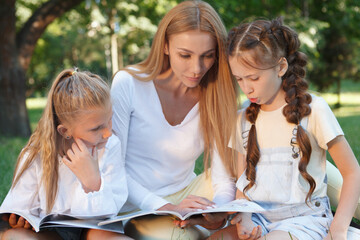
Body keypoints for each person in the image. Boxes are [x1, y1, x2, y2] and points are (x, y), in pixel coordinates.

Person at [209, 17, 360, 240]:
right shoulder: (242, 120)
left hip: (305, 219)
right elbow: (244, 181)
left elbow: (352, 172)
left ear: (280, 67)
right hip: (259, 217)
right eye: (239, 79)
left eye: (254, 77)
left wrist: (337, 229)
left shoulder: (314, 110)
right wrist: (244, 218)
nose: (246, 88)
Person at [111, 0, 238, 238]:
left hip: (189, 193)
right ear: (166, 46)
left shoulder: (215, 93)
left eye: (208, 56)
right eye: (185, 55)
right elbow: (112, 170)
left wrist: (219, 211)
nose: (197, 68)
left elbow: (222, 176)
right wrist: (168, 208)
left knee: (294, 168)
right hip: (140, 206)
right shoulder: (128, 83)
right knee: (177, 237)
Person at [0, 69, 131, 240]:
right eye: (96, 128)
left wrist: (92, 182)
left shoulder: (110, 145)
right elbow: (18, 206)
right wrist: (20, 218)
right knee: (13, 236)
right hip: (53, 235)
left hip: (95, 232)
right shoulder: (37, 154)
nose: (107, 132)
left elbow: (110, 210)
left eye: (109, 120)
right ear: (64, 131)